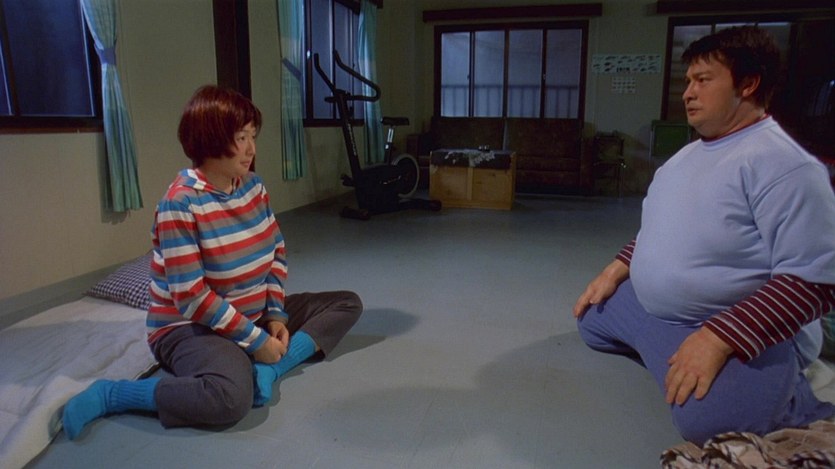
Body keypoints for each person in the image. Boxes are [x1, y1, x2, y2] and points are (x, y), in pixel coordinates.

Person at [573, 26, 835, 445]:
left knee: (712, 421)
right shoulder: (685, 158)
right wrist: (617, 268)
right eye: (689, 81)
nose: (688, 93)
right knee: (591, 320)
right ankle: (669, 349)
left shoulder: (784, 166)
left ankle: (791, 396)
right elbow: (663, 230)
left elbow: (815, 280)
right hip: (661, 309)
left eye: (703, 80)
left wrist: (717, 338)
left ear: (748, 84)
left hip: (727, 320)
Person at [62, 85, 362, 439]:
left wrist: (275, 315)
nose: (251, 149)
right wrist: (256, 341)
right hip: (191, 327)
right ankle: (113, 395)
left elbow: (276, 253)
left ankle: (271, 369)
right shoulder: (180, 204)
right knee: (230, 399)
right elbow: (191, 297)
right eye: (241, 138)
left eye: (253, 136)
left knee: (346, 303)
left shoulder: (253, 187)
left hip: (250, 314)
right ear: (210, 140)